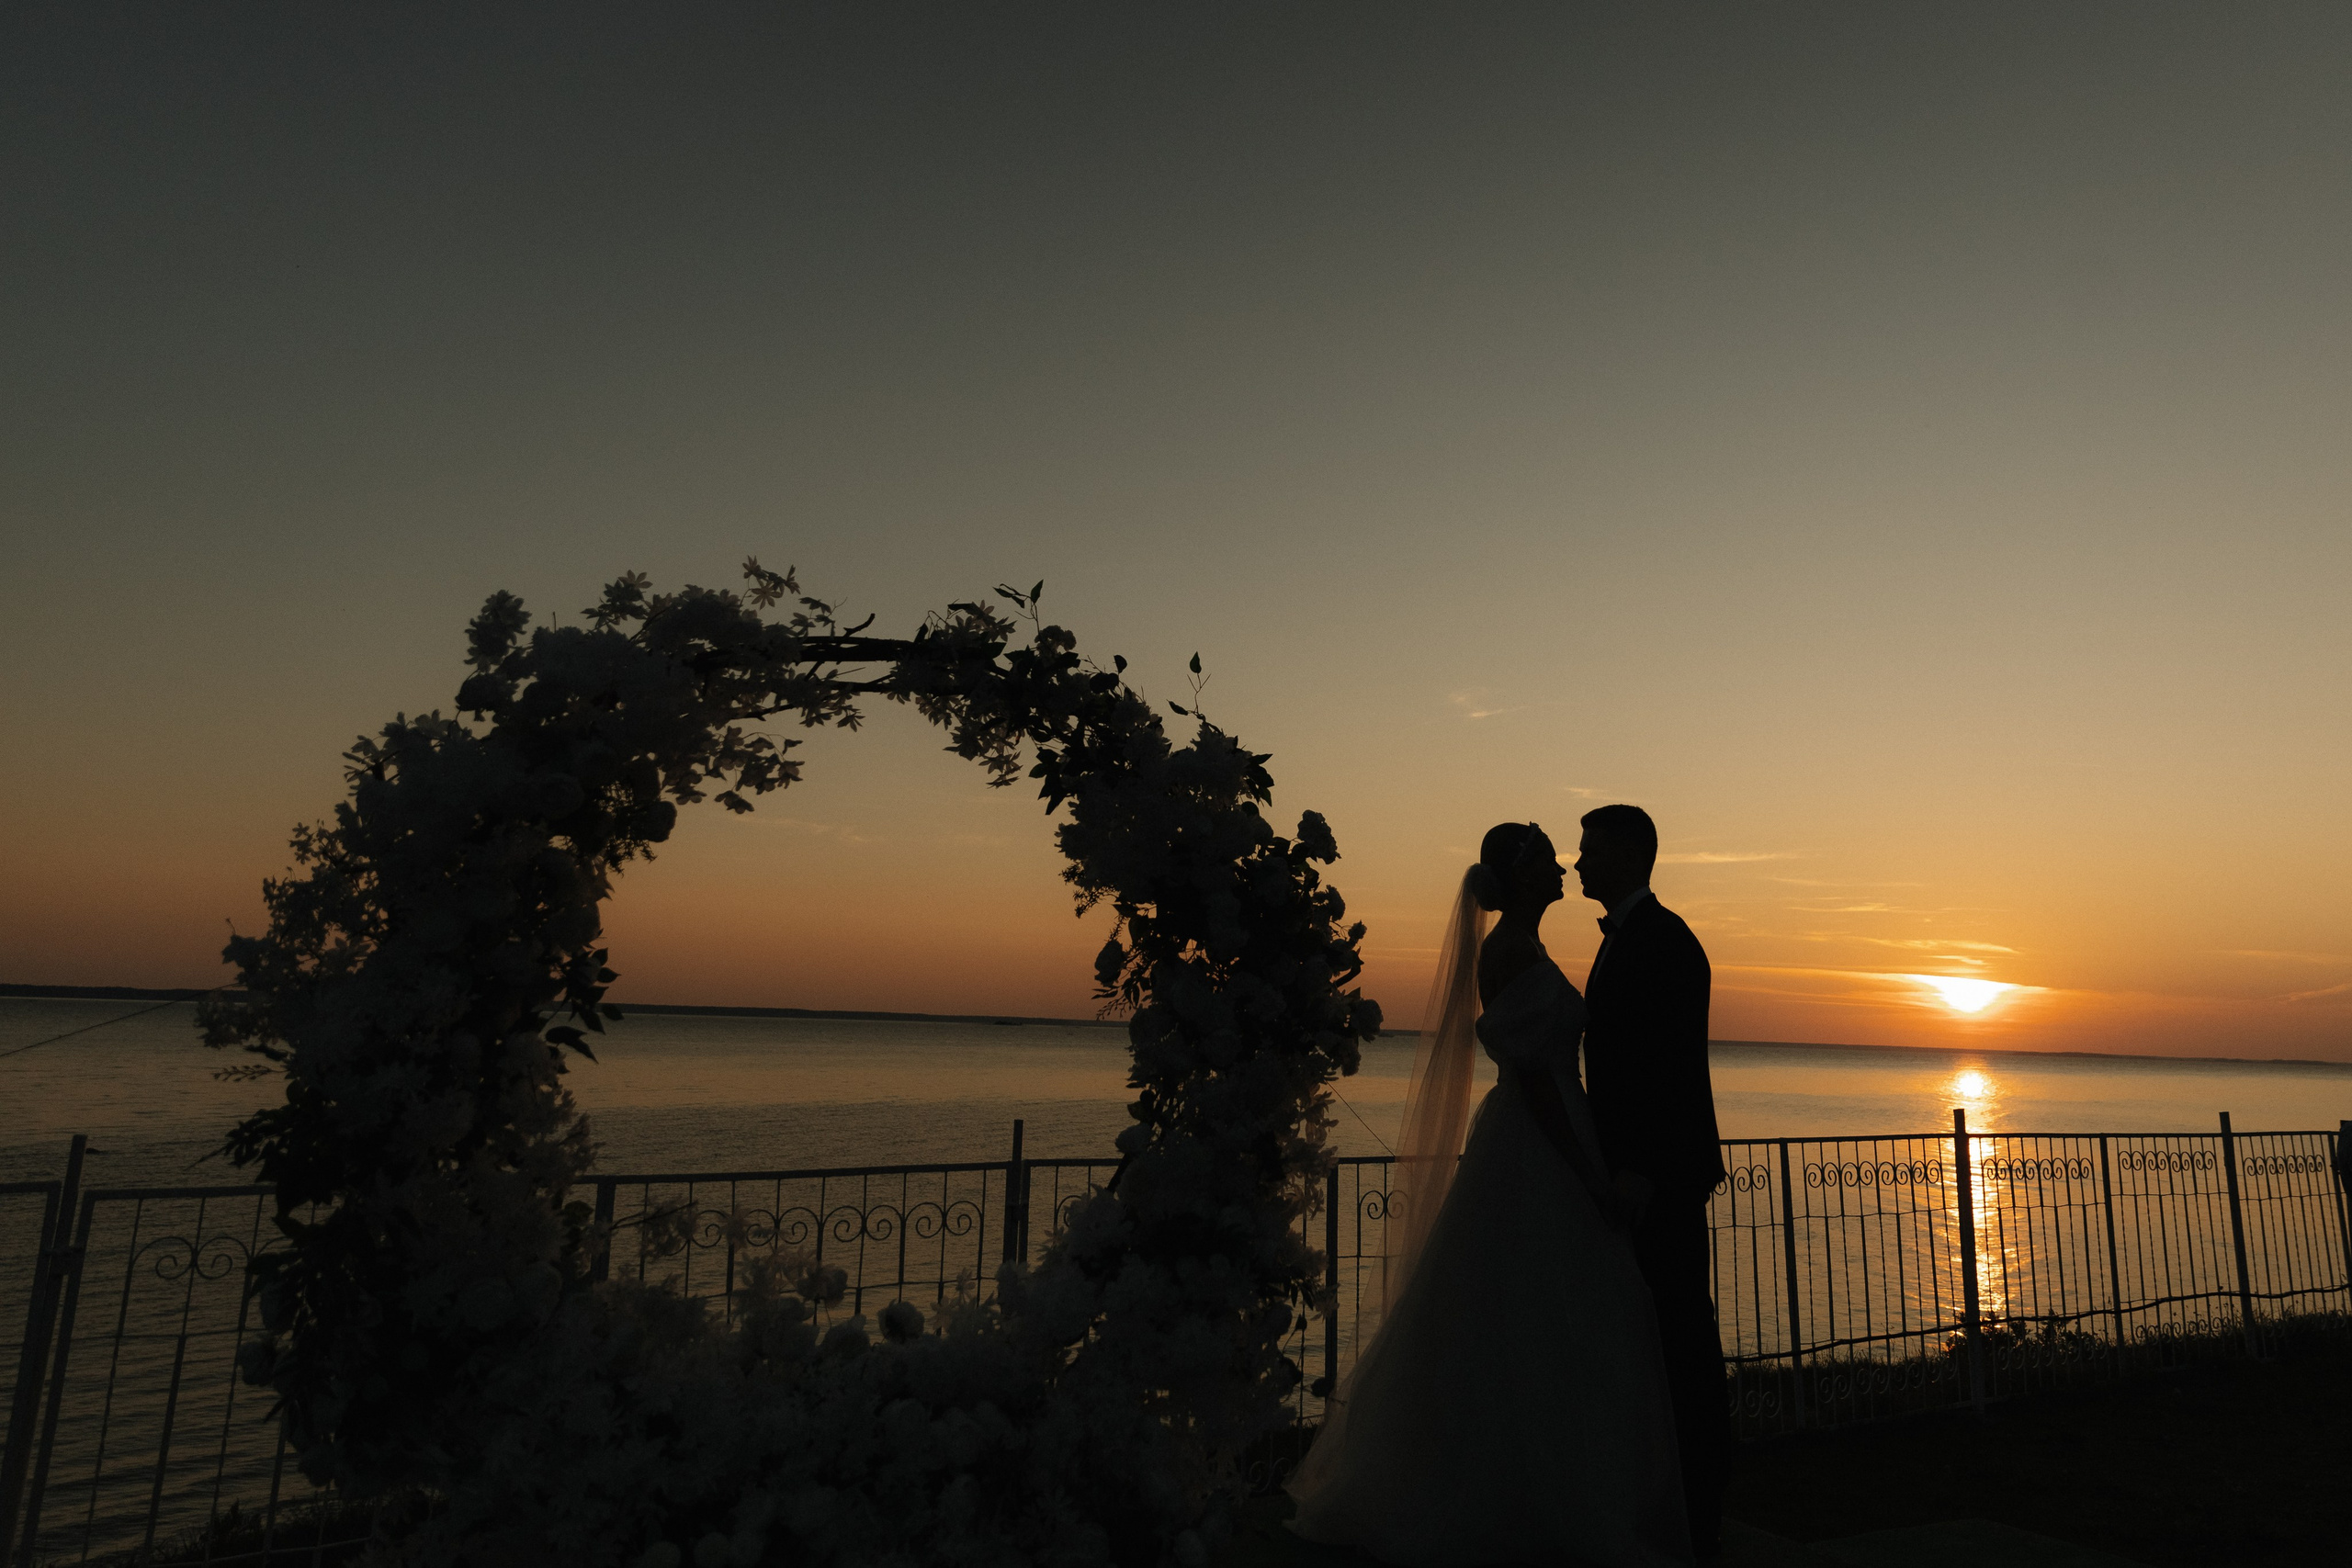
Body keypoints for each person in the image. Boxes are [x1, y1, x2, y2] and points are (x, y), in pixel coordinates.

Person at [1286, 822, 1692, 1568]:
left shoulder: (1526, 945)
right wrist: (1587, 1172)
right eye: (1547, 858)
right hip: (1539, 1139)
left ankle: (1542, 1482)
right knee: (1536, 1308)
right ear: (1521, 874)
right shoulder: (1510, 950)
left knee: (1545, 1313)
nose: (1564, 865)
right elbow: (1534, 1075)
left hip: (1551, 1126)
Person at [1573, 804, 1729, 1562]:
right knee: (1648, 1342)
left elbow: (1667, 1067)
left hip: (1658, 1179)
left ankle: (1699, 1513)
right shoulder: (1625, 939)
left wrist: (1641, 1168)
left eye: (1591, 849)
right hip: (1632, 1176)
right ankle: (1657, 1499)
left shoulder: (1665, 941)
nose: (1578, 862)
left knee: (1681, 1339)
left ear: (1631, 855)